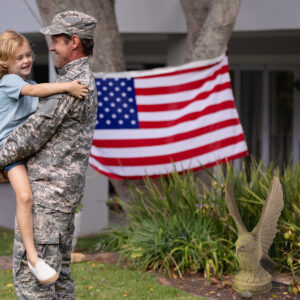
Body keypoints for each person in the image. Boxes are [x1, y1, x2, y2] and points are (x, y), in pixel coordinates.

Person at [0, 11, 97, 299]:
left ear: (75, 42)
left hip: (48, 201)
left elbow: (29, 137)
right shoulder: (79, 80)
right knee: (60, 280)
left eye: (56, 40)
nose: (51, 47)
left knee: (34, 287)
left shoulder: (70, 88)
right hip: (63, 196)